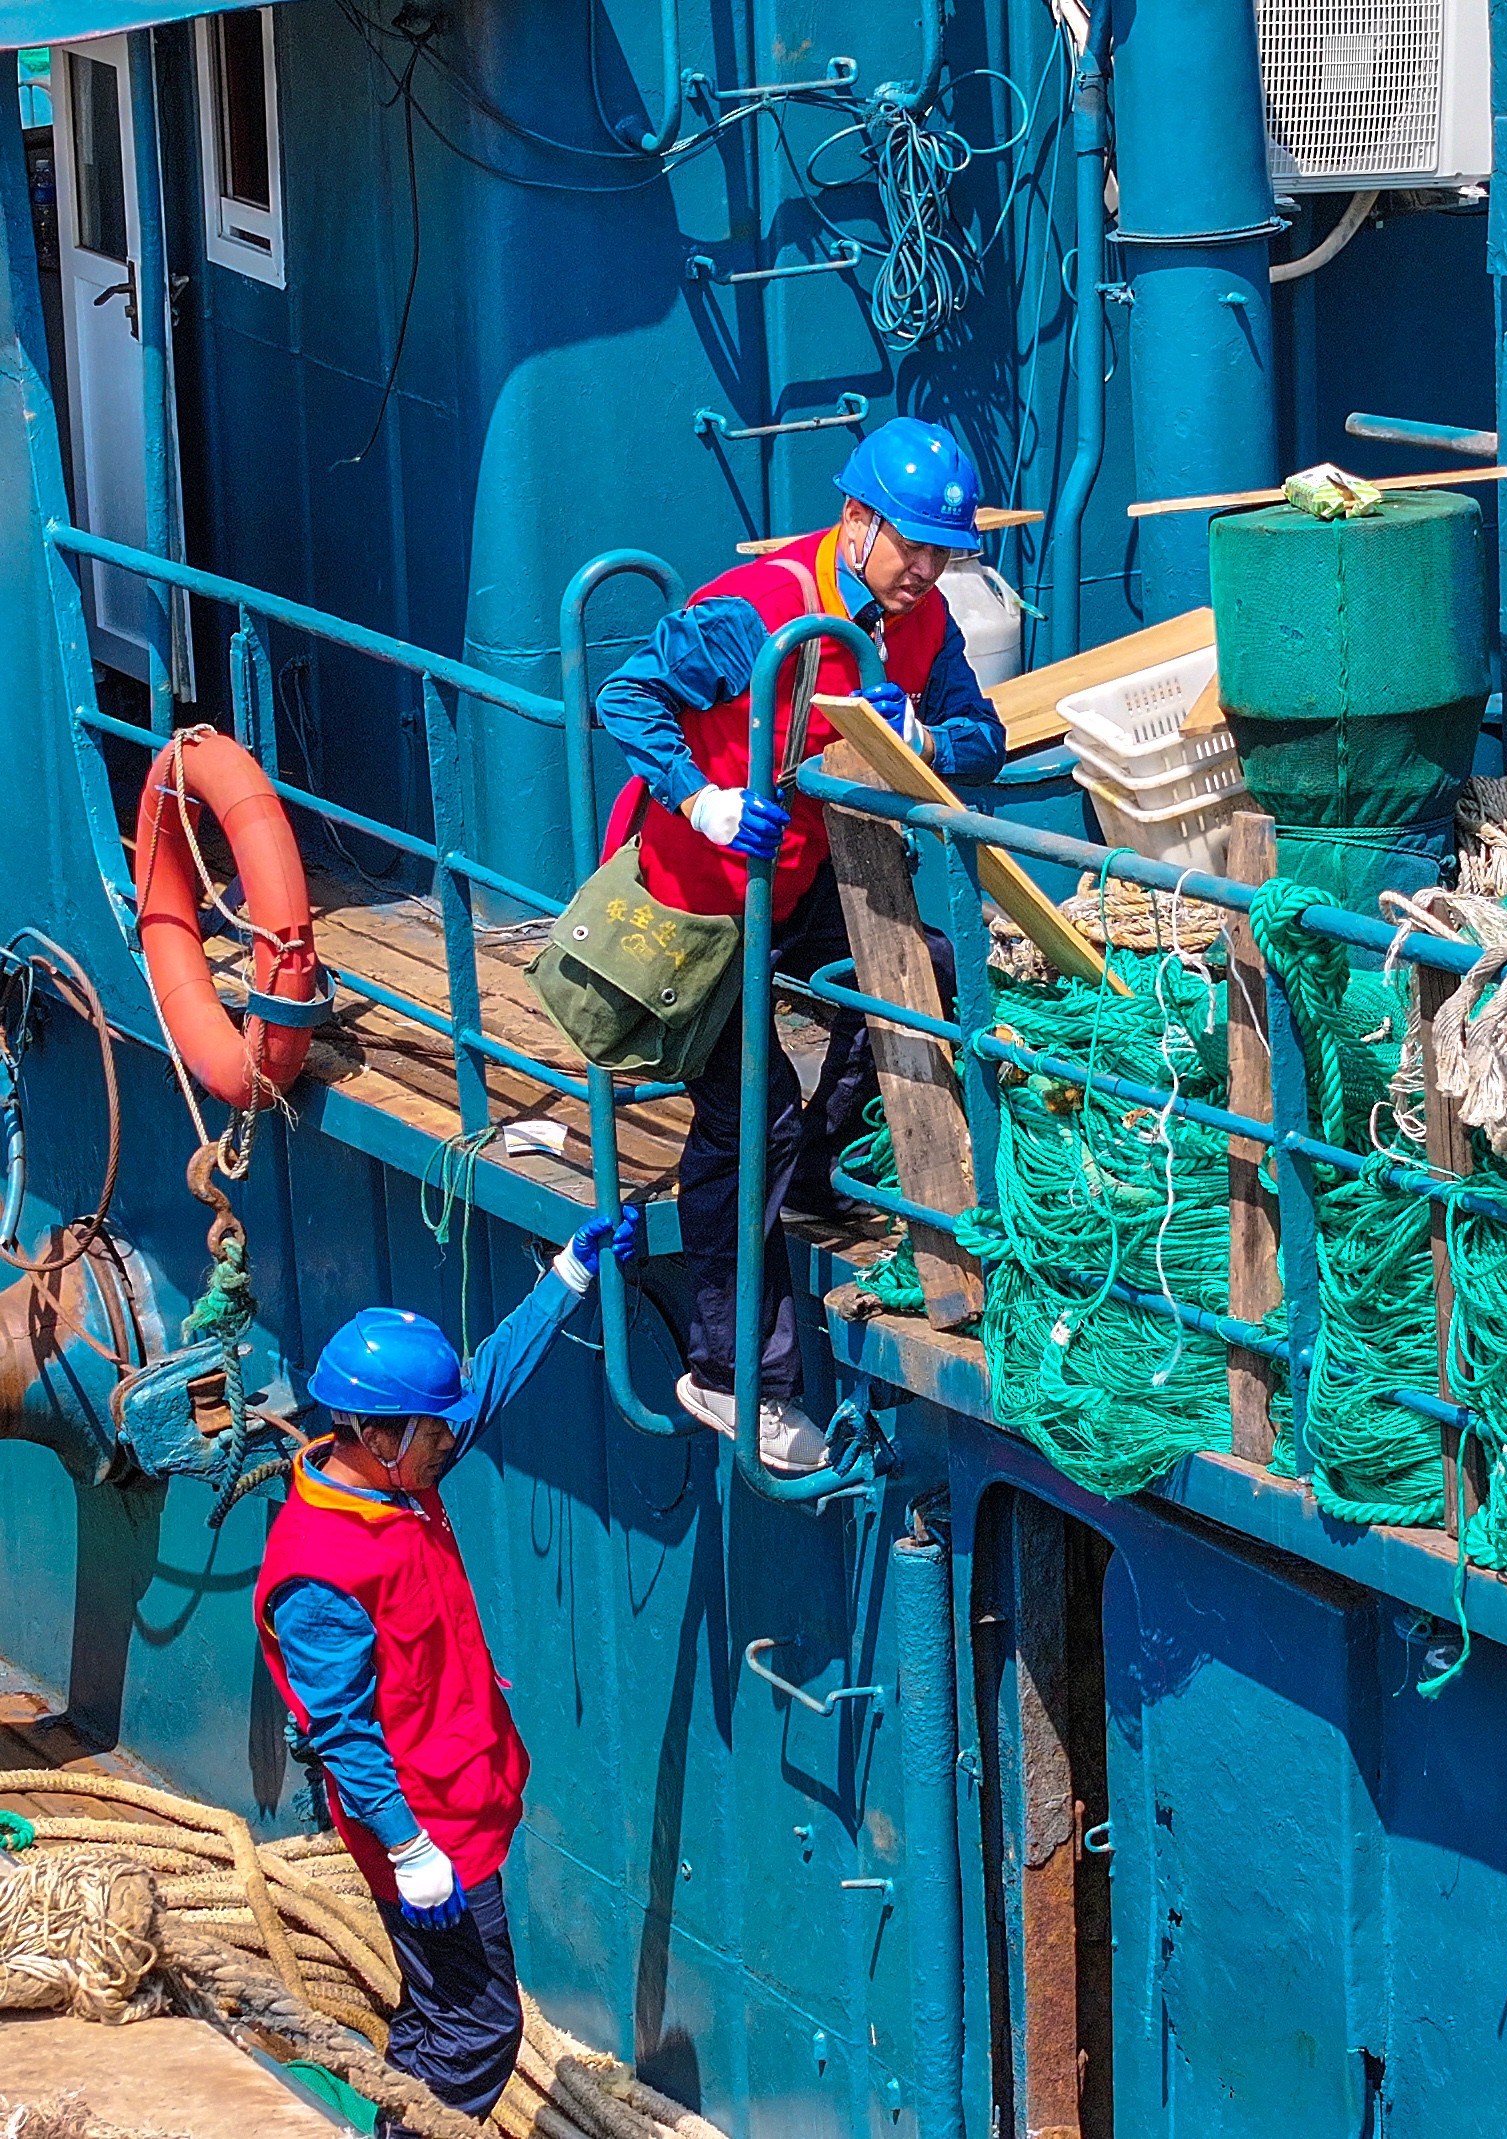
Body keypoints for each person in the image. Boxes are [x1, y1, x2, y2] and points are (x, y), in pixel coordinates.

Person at [596, 417, 1006, 1475]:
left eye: (944, 553)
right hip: (695, 887)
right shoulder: (759, 607)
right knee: (750, 1115)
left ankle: (824, 1168)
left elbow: (983, 736)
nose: (927, 572)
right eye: (912, 547)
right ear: (855, 520)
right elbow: (626, 693)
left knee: (928, 977)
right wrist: (701, 797)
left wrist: (922, 737)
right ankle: (732, 1374)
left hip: (802, 872)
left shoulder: (920, 619)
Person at [253, 1206, 638, 2137]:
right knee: (478, 2031)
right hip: (429, 1829)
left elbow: (484, 1386)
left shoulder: (399, 1473)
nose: (451, 1444)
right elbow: (341, 1728)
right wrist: (408, 1849)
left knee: (438, 2018)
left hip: (465, 1796)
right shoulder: (318, 1573)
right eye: (436, 1433)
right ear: (377, 1433)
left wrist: (568, 1277)